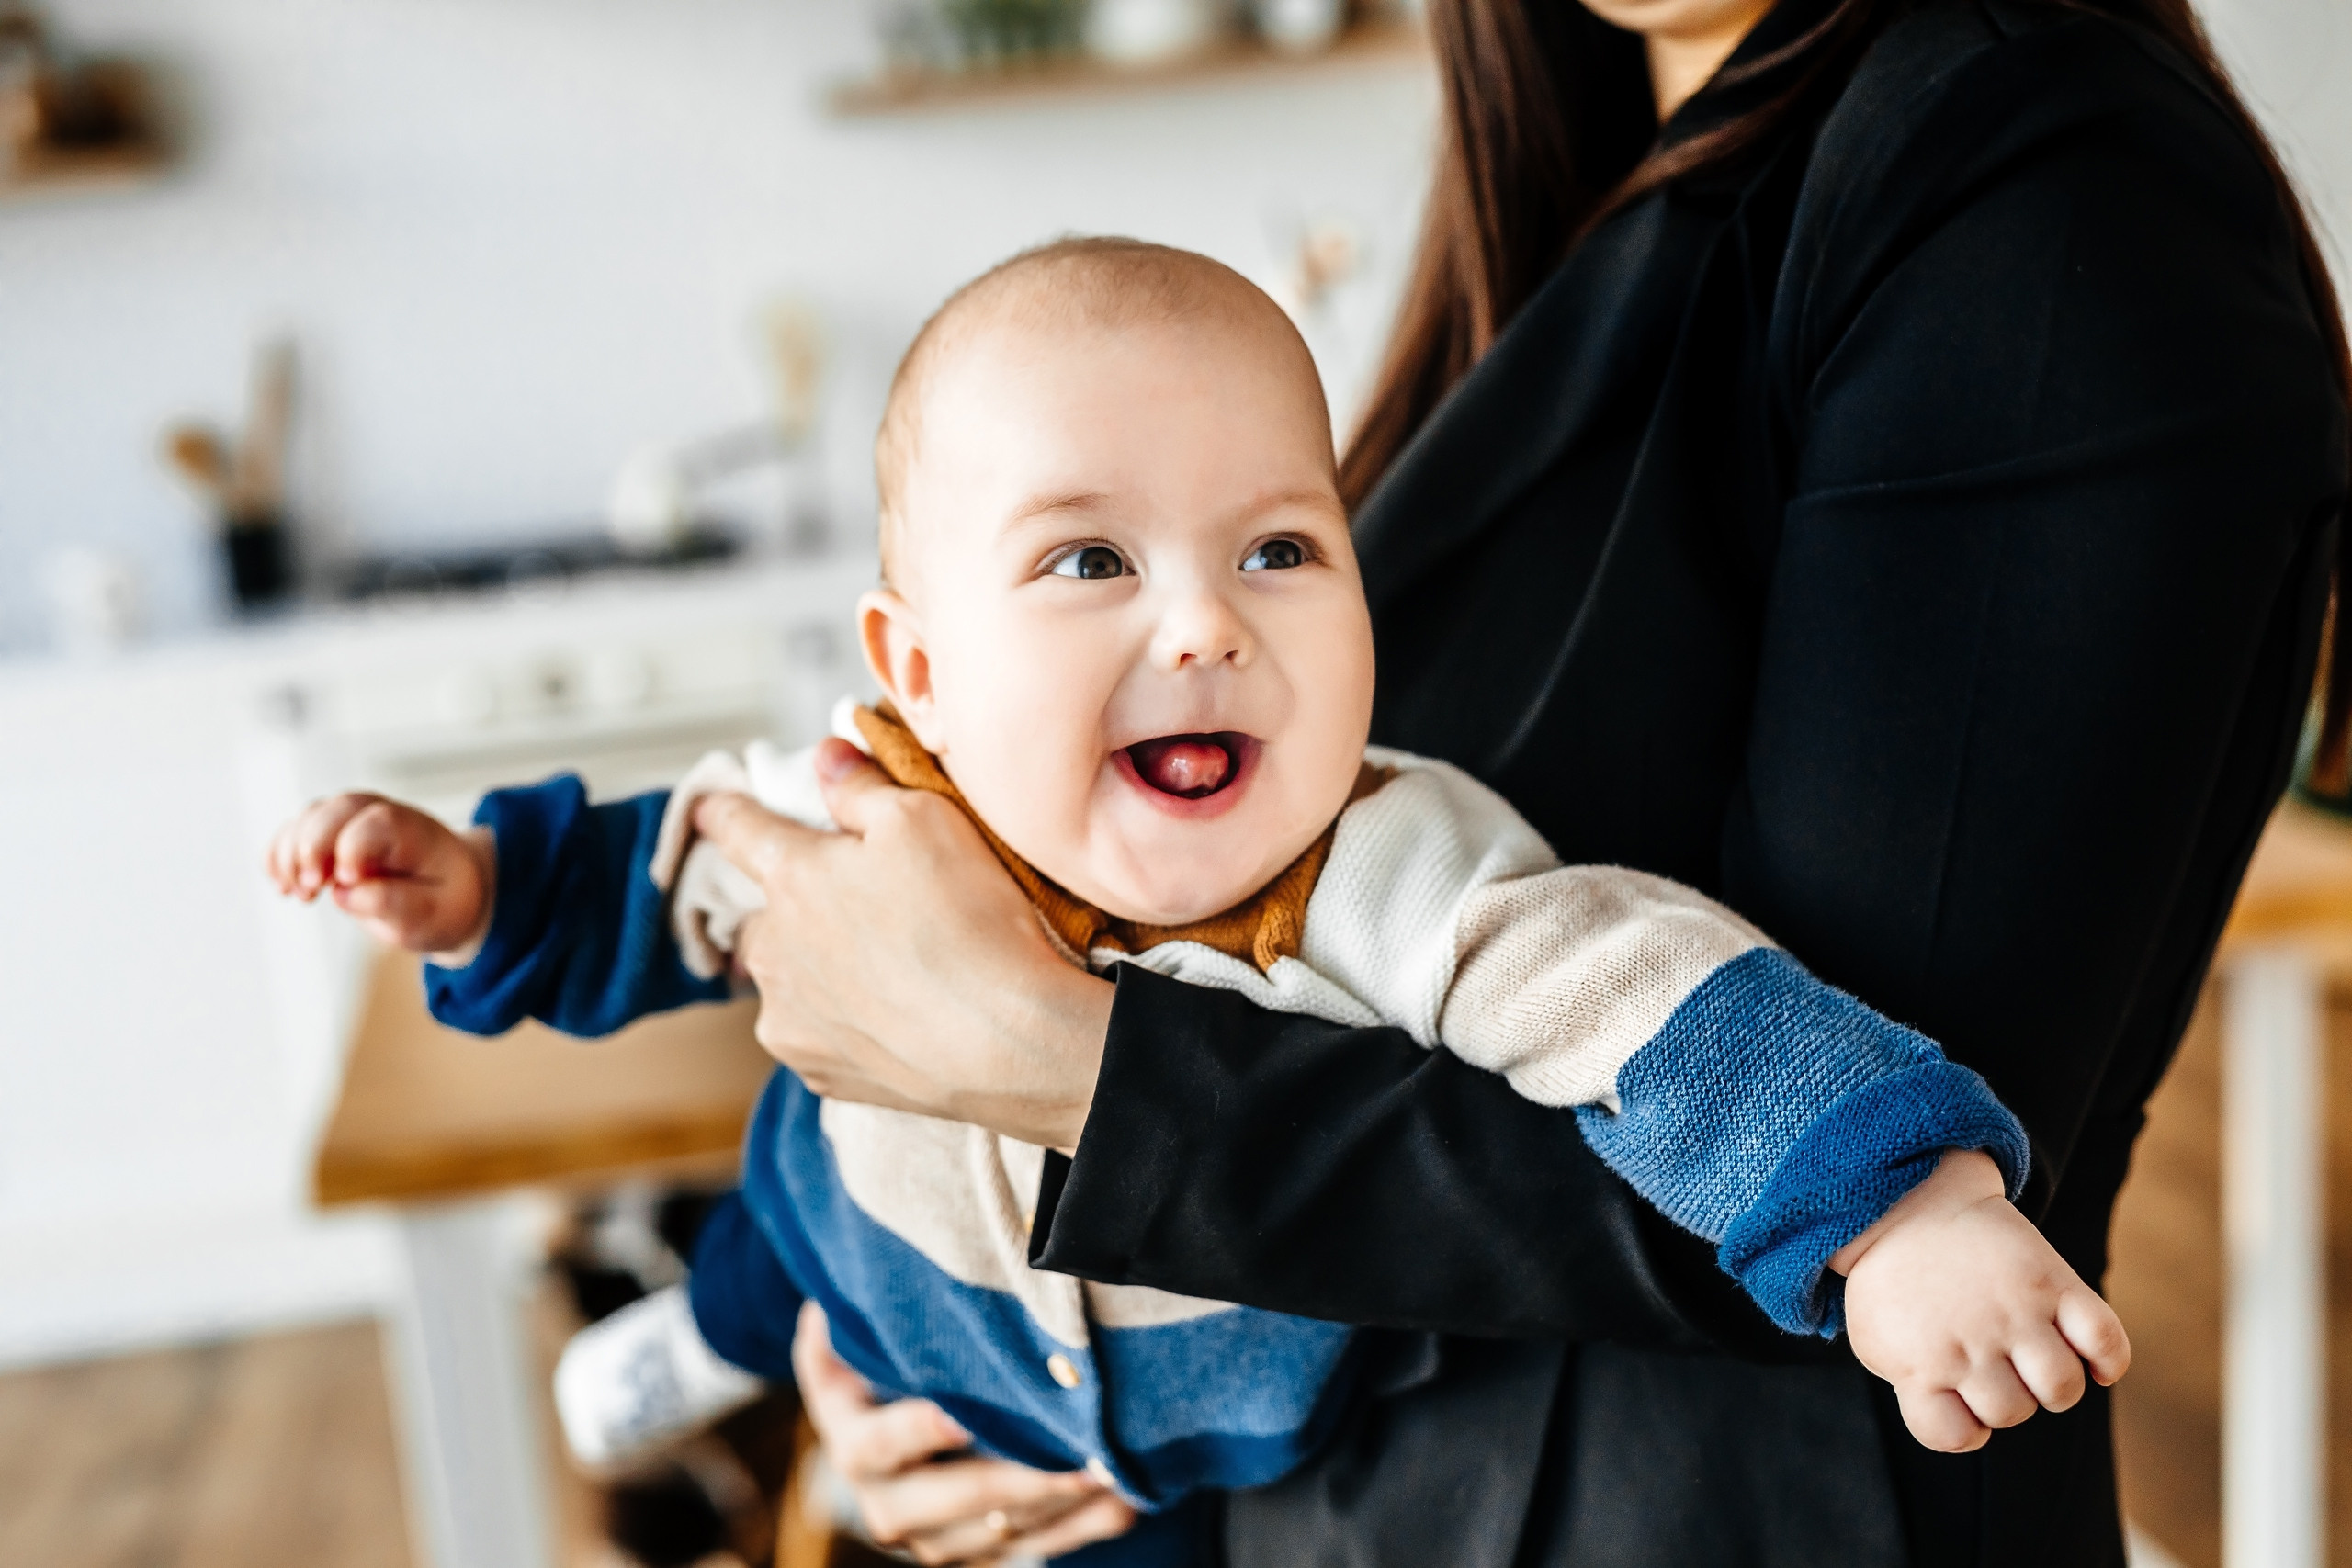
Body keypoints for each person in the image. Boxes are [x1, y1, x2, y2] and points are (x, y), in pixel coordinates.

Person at [672, 0, 2352, 1564]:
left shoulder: (2044, 188)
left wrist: (1057, 1076)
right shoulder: (1600, 179)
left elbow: (1848, 1114)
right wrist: (973, 1335)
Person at [270, 242, 2125, 1566]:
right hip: (885, 1272)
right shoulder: (858, 796)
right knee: (786, 1235)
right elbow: (666, 864)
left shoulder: (1387, 863)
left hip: (1186, 1464)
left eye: (1278, 546)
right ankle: (711, 1337)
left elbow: (1645, 993)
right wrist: (488, 888)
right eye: (1086, 556)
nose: (1202, 619)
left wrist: (1901, 1211)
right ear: (912, 666)